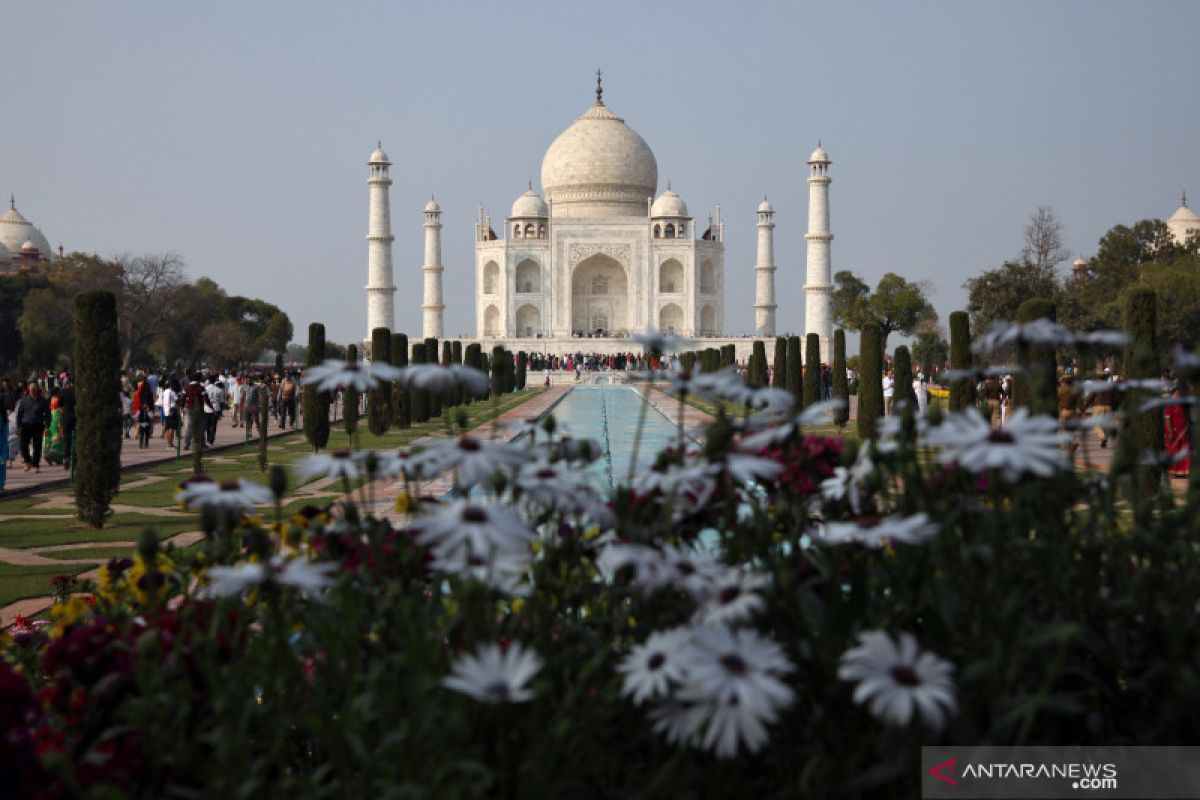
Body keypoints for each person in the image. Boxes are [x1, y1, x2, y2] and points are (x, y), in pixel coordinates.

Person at [15, 382, 50, 473]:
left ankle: (35, 464)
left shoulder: (43, 401)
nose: (33, 391)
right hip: (25, 425)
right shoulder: (24, 400)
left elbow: (48, 414)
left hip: (38, 425)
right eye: (31, 389)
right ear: (29, 390)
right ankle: (27, 461)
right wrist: (17, 426)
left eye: (34, 389)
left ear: (37, 390)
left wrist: (47, 426)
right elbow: (19, 414)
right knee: (23, 445)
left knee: (37, 446)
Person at [1164, 388, 1191, 479]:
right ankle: (1173, 471)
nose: (1177, 396)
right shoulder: (1170, 405)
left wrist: (1187, 426)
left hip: (1184, 432)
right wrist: (1171, 432)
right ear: (1172, 395)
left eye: (1179, 394)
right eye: (1176, 394)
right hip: (1173, 432)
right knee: (1174, 451)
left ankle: (1184, 471)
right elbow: (1167, 420)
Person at [1085, 370, 1115, 449]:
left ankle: (1103, 437)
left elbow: (1090, 397)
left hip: (1098, 406)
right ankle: (1104, 441)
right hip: (1109, 406)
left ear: (1097, 377)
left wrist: (1084, 406)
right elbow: (1114, 397)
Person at [43, 395, 64, 466]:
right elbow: (60, 424)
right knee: (57, 446)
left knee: (50, 446)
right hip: (56, 433)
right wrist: (62, 433)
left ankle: (53, 457)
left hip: (49, 432)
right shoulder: (59, 415)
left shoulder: (50, 412)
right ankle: (54, 457)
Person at [161, 379, 179, 448]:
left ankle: (169, 443)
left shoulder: (164, 392)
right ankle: (171, 444)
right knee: (172, 428)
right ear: (171, 385)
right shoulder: (172, 392)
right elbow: (177, 400)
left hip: (166, 411)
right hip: (172, 410)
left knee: (168, 428)